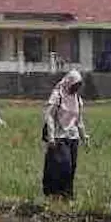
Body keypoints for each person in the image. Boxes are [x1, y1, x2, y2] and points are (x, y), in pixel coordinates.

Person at [42, 69, 88, 200]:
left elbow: (79, 121)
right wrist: (51, 136)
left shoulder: (78, 99)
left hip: (73, 138)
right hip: (59, 136)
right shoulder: (58, 95)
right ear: (69, 83)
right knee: (64, 166)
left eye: (79, 85)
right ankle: (56, 194)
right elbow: (49, 115)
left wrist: (84, 136)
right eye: (75, 85)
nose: (76, 88)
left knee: (72, 167)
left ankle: (67, 196)